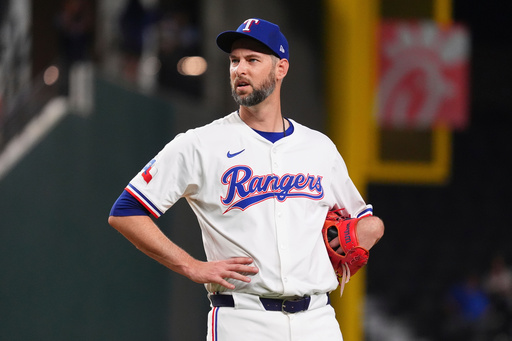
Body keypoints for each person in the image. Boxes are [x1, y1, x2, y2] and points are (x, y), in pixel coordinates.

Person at [108, 18, 384, 341]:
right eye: (234, 60)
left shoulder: (318, 148)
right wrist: (192, 266)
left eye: (252, 60)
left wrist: (371, 229)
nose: (240, 69)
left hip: (317, 320)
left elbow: (363, 218)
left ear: (281, 68)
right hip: (243, 320)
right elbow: (126, 211)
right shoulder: (200, 144)